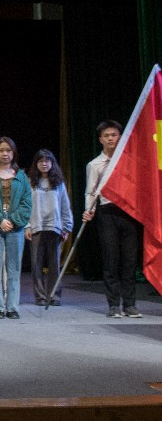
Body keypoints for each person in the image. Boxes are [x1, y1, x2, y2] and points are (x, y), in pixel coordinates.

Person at [82, 120, 143, 318]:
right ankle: (114, 305)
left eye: (114, 135)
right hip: (107, 213)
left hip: (128, 212)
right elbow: (91, 191)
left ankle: (130, 305)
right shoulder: (94, 165)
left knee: (129, 261)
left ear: (120, 137)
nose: (110, 139)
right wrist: (88, 210)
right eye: (106, 136)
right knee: (111, 260)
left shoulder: (129, 161)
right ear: (100, 139)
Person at [0, 136, 32, 319]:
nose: (5, 153)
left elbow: (27, 202)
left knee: (14, 267)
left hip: (15, 227)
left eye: (8, 150)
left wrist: (13, 220)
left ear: (13, 153)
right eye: (1, 150)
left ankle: (12, 306)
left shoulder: (21, 176)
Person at [25, 149, 73, 307]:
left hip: (55, 227)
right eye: (40, 161)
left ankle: (54, 295)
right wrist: (27, 226)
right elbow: (26, 205)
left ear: (52, 163)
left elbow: (65, 205)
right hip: (36, 227)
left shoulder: (58, 183)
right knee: (36, 265)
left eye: (47, 161)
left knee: (54, 265)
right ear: (36, 164)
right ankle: (40, 297)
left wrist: (66, 227)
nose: (44, 164)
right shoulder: (30, 182)